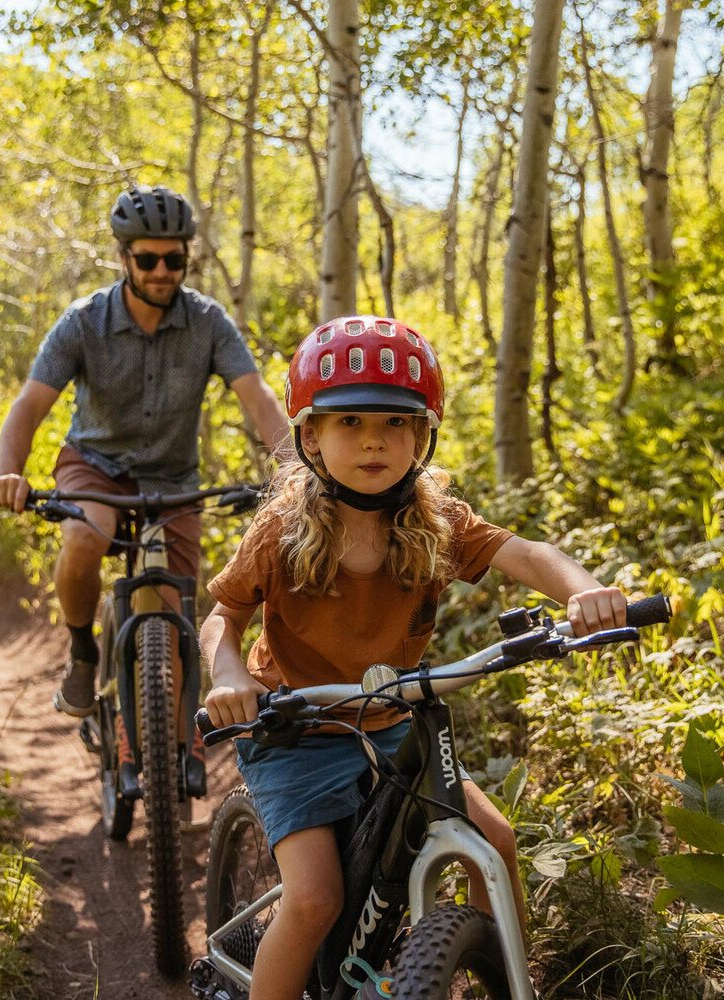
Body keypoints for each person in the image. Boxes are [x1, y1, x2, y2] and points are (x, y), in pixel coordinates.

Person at [201, 315, 628, 1000]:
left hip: (394, 721)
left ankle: (505, 976)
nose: (374, 439)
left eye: (396, 424)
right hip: (296, 730)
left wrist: (584, 591)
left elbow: (525, 554)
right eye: (350, 423)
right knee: (314, 900)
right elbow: (223, 616)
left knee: (493, 841)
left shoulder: (435, 522)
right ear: (309, 435)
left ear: (423, 435)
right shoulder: (281, 531)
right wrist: (227, 678)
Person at [0, 184, 290, 797]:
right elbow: (29, 406)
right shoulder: (83, 321)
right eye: (147, 259)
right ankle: (81, 654)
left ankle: (177, 734)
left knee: (177, 607)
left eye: (172, 260)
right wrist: (9, 470)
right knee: (84, 535)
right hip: (95, 464)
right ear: (124, 257)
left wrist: (295, 467)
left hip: (172, 479)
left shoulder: (207, 322)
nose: (160, 272)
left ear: (186, 260)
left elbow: (257, 399)